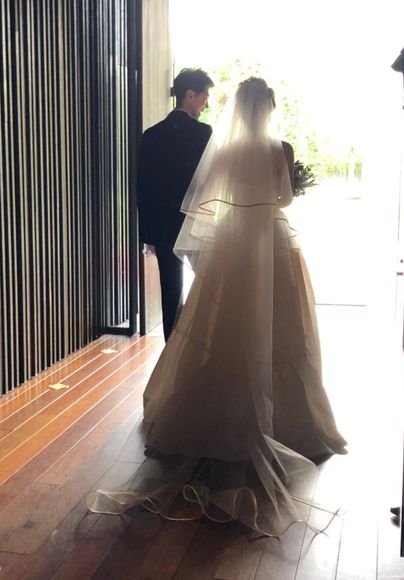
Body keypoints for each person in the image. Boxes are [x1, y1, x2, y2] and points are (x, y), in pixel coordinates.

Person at [89, 78, 347, 536]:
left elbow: (205, 197)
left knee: (224, 323)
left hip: (234, 240)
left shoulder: (223, 150)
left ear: (237, 109)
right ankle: (290, 418)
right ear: (269, 109)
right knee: (284, 325)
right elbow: (285, 198)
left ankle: (218, 404)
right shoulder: (281, 148)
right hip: (274, 238)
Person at [137, 68, 213, 340]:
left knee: (170, 292)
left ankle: (172, 347)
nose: (205, 105)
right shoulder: (204, 133)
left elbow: (143, 187)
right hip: (194, 224)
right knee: (208, 286)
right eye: (204, 98)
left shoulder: (151, 135)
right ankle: (203, 341)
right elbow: (209, 182)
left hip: (162, 228)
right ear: (190, 95)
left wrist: (148, 235)